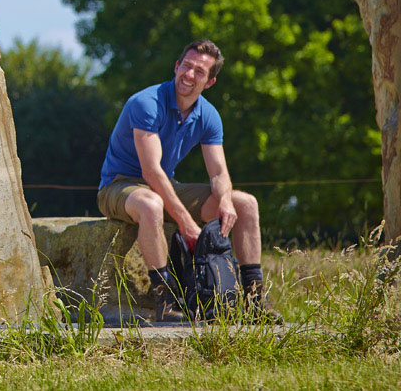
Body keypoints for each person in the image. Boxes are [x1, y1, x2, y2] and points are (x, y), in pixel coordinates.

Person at [97, 39, 281, 323]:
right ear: (176, 66)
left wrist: (225, 201)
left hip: (165, 184)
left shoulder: (209, 116)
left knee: (245, 204)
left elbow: (218, 173)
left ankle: (255, 299)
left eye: (199, 71)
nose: (189, 74)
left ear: (210, 82)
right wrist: (185, 222)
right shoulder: (146, 103)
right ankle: (165, 299)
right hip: (119, 185)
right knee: (151, 203)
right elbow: (151, 171)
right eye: (186, 66)